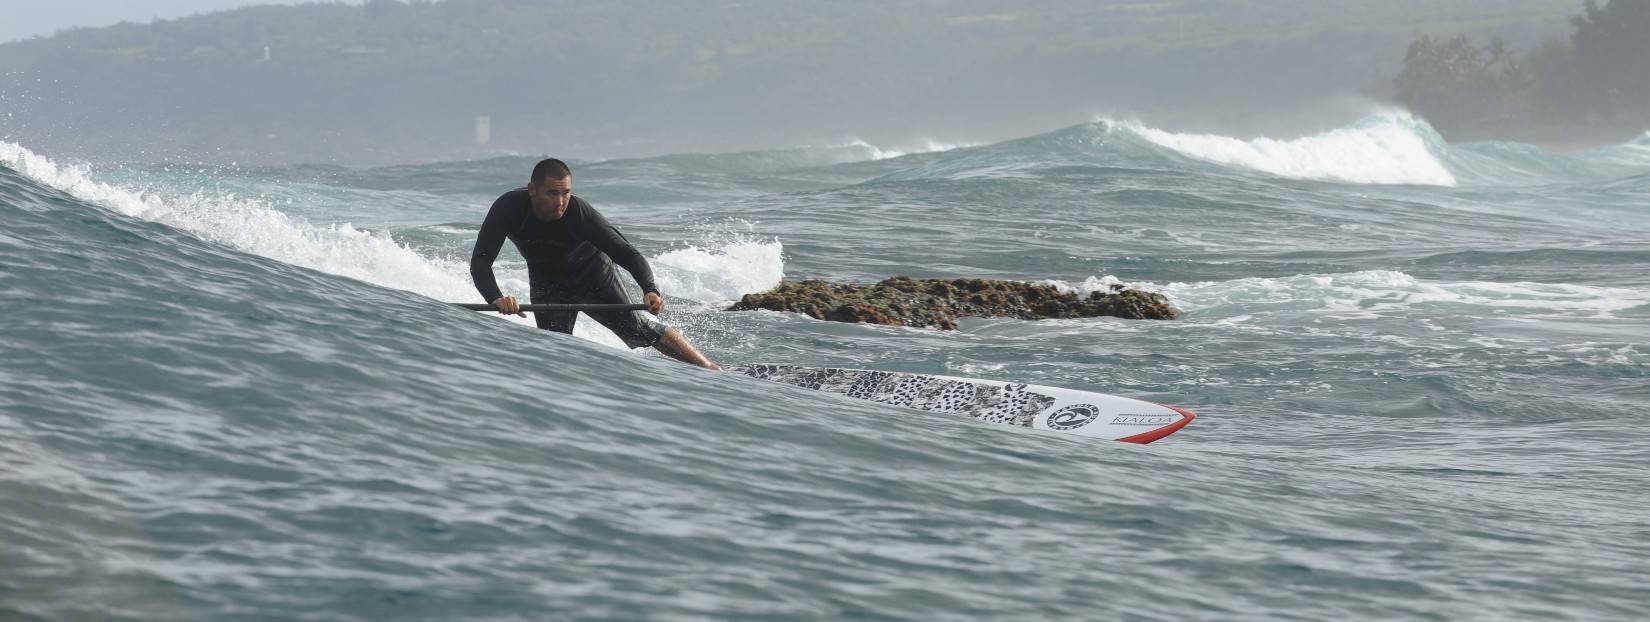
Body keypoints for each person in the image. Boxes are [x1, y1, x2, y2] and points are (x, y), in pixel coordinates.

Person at [470, 158, 720, 370]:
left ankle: (709, 368)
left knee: (638, 331)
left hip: (594, 277)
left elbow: (627, 253)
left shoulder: (579, 213)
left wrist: (650, 288)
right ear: (532, 190)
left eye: (566, 193)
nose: (560, 201)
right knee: (554, 348)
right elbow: (481, 261)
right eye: (552, 193)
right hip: (548, 285)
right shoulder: (508, 208)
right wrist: (496, 297)